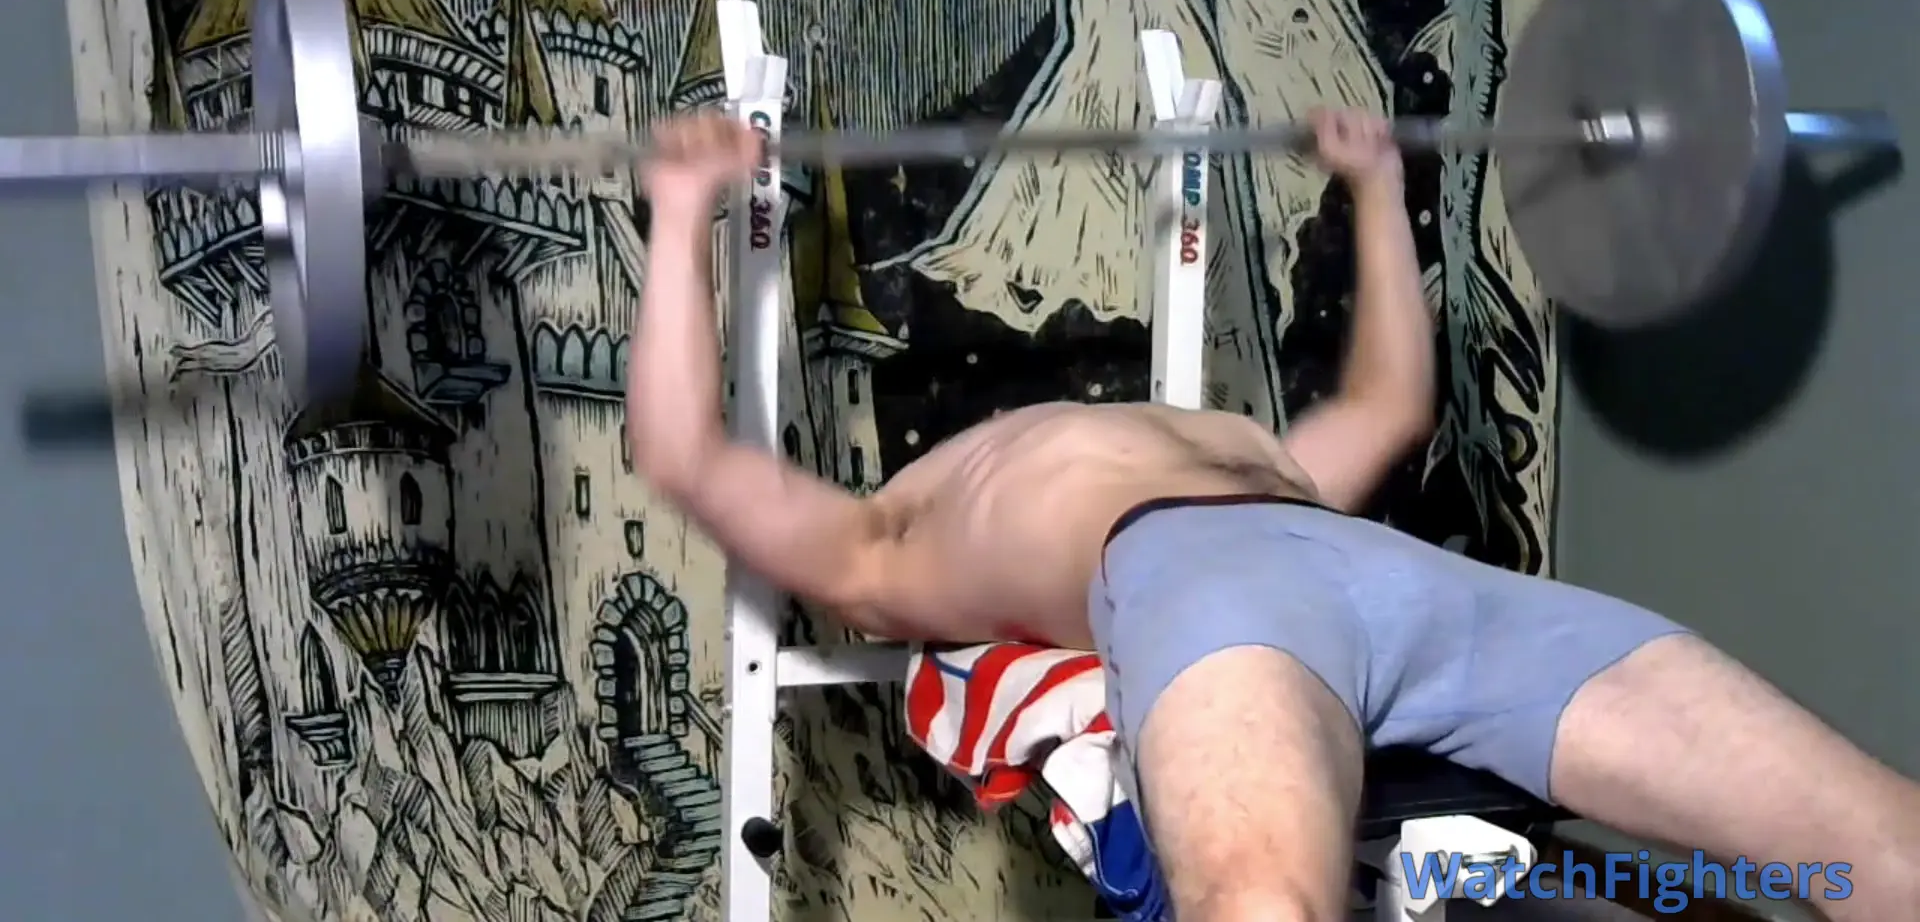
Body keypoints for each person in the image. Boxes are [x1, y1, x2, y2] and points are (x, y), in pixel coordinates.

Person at [625, 109, 1919, 922]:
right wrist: (682, 213)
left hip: (1399, 576)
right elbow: (680, 450)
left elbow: (1391, 403)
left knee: (1884, 851)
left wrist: (1372, 184)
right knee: (1263, 908)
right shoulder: (877, 548)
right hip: (1219, 597)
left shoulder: (1257, 461)